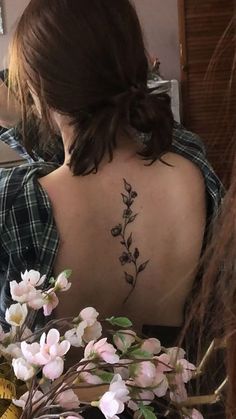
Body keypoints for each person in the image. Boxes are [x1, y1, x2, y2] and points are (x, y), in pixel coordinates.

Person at [0, 0, 221, 345]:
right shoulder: (191, 165)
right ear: (137, 60)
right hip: (180, 394)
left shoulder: (17, 203)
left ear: (35, 91)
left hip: (48, 399)